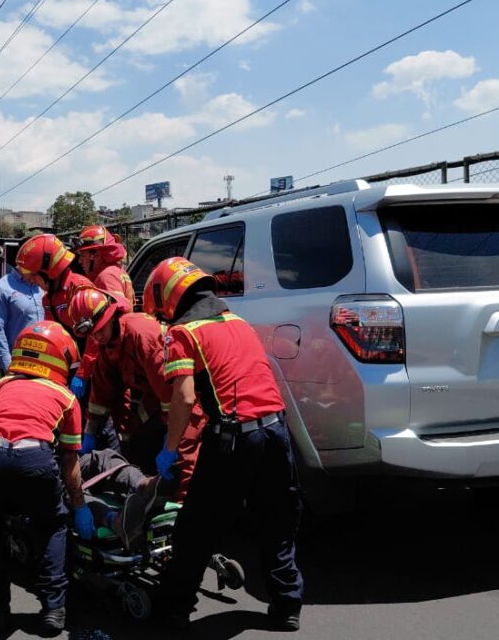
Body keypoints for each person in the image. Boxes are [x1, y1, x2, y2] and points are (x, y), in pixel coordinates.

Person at [145, 257, 304, 632]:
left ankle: (174, 610)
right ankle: (287, 606)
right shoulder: (238, 322)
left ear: (168, 298)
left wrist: (170, 449)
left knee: (196, 528)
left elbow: (184, 397)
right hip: (277, 431)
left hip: (234, 439)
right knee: (277, 522)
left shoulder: (183, 334)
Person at [0, 321, 92, 635]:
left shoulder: (3, 385)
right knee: (51, 526)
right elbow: (69, 461)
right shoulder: (66, 398)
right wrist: (78, 505)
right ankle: (53, 609)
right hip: (33, 460)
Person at [68, 285, 204, 501]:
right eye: (92, 334)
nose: (97, 337)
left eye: (100, 330)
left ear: (111, 316)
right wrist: (90, 432)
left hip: (182, 397)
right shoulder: (108, 344)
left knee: (183, 451)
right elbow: (102, 393)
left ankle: (181, 505)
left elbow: (173, 395)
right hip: (155, 397)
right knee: (137, 443)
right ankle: (151, 491)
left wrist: (171, 438)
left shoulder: (141, 334)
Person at [15, 234, 119, 451]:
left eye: (33, 275)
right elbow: (54, 337)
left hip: (91, 371)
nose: (30, 280)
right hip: (71, 372)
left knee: (99, 422)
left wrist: (82, 374)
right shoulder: (48, 298)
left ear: (48, 271)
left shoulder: (79, 288)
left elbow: (95, 335)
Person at [0, 253, 45, 376]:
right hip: (18, 364)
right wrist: (8, 366)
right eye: (33, 272)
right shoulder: (0, 290)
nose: (36, 276)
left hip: (42, 362)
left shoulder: (40, 286)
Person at [74, 225, 135, 310]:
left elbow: (113, 313)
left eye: (83, 255)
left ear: (96, 255)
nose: (79, 261)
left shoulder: (106, 277)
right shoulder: (115, 270)